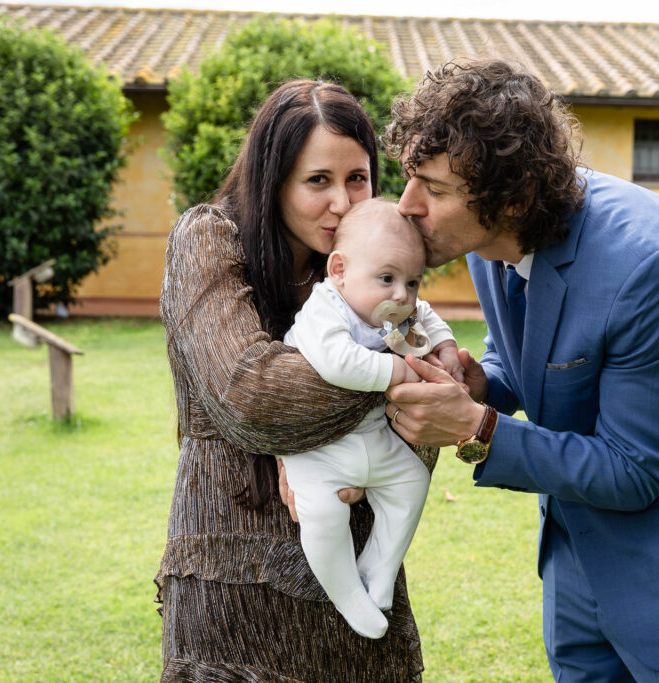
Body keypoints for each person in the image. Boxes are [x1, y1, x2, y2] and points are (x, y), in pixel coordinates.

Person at [382, 59, 659, 681]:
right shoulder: (487, 242)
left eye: (435, 189)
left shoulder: (652, 267)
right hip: (573, 563)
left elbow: (635, 469)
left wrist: (478, 429)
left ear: (514, 197)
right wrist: (484, 382)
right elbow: (524, 351)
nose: (407, 207)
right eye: (409, 179)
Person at [156, 80, 432, 681]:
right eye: (317, 181)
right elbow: (249, 393)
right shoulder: (208, 239)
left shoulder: (373, 267)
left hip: (362, 574)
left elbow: (426, 415)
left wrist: (414, 386)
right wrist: (394, 376)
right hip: (236, 582)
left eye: (357, 178)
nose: (342, 203)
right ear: (272, 180)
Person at [279, 198, 460, 639]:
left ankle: (378, 572)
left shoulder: (391, 306)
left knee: (411, 482)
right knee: (321, 516)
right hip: (317, 450)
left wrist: (446, 345)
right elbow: (337, 362)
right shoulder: (325, 308)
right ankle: (346, 594)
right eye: (387, 278)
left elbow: (426, 315)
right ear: (339, 270)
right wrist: (399, 370)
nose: (402, 294)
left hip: (374, 440)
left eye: (412, 281)